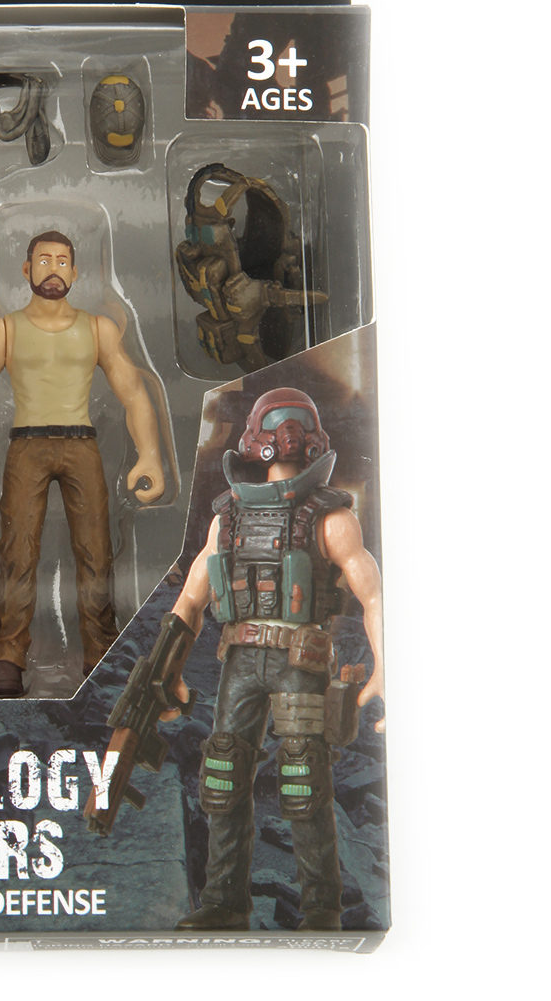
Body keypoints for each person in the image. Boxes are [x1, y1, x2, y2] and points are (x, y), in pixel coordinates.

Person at [162, 387, 385, 930]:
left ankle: (321, 910)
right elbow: (190, 599)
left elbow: (375, 594)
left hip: (300, 661)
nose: (289, 435)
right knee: (222, 774)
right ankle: (224, 902)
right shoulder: (228, 518)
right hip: (240, 658)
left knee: (304, 776)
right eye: (280, 424)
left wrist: (387, 667)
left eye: (298, 425)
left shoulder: (330, 518)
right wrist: (166, 668)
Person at [0, 231, 164, 696]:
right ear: (26, 269)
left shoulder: (98, 328)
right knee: (17, 552)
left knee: (96, 553)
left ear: (75, 270)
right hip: (26, 446)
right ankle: (6, 658)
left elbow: (134, 392)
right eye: (44, 260)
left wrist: (149, 452)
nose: (54, 269)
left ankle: (102, 654)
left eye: (63, 261)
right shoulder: (3, 329)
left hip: (81, 443)